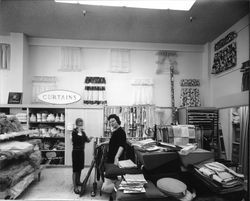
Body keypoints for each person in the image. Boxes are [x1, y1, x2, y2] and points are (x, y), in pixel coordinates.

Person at [71, 118, 93, 194]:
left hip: (81, 152)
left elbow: (86, 140)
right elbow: (76, 140)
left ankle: (78, 181)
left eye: (82, 124)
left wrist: (89, 139)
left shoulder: (83, 132)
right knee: (75, 170)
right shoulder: (74, 132)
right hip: (76, 152)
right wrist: (79, 132)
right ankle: (75, 187)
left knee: (80, 168)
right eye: (79, 125)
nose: (81, 126)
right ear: (76, 125)